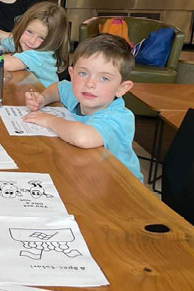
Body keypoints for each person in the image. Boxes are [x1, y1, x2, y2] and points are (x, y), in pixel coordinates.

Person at [23, 34, 141, 181]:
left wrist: (50, 121)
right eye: (83, 73)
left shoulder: (118, 117)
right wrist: (42, 99)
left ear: (122, 88)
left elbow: (82, 137)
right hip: (88, 175)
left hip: (122, 188)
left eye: (104, 78)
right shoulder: (78, 93)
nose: (90, 83)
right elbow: (58, 88)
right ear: (72, 75)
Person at [0, 1, 68, 87]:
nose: (32, 41)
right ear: (22, 26)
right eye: (29, 32)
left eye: (42, 38)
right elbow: (4, 45)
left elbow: (5, 63)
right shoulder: (22, 42)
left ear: (52, 41)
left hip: (45, 99)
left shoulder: (42, 55)